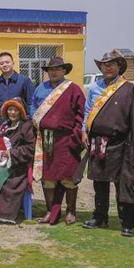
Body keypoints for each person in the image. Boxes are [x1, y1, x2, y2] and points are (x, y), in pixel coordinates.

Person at [82, 51, 134, 237]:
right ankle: (100, 217)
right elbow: (88, 111)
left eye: (111, 64)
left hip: (120, 142)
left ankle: (127, 222)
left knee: (122, 183)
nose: (107, 67)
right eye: (104, 64)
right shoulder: (94, 87)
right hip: (97, 141)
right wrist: (84, 130)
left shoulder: (128, 89)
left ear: (119, 67)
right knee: (99, 183)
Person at [31, 56, 86, 225]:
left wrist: (76, 135)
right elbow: (33, 108)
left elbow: (81, 114)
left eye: (57, 69)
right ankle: (50, 210)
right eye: (50, 70)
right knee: (48, 177)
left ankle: (71, 211)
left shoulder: (73, 89)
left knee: (68, 176)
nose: (53, 72)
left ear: (64, 70)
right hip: (45, 139)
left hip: (66, 139)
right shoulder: (40, 89)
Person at [0, 51, 35, 117]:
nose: (4, 65)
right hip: (1, 120)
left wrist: (29, 118)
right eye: (1, 63)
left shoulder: (24, 80)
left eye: (7, 62)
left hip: (20, 120)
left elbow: (31, 102)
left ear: (13, 63)